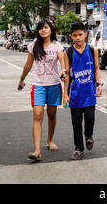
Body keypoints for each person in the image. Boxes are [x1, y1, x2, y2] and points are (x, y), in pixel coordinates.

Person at [17, 20, 67, 163]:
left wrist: (63, 71)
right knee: (38, 115)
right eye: (40, 28)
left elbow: (62, 62)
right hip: (38, 85)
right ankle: (37, 150)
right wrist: (21, 79)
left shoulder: (57, 46)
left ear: (51, 30)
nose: (43, 30)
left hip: (54, 85)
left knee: (51, 114)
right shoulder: (33, 45)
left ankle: (50, 140)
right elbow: (28, 64)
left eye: (46, 28)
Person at [63, 22, 103, 161]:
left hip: (89, 93)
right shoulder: (68, 52)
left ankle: (89, 136)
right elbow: (67, 74)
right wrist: (65, 94)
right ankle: (79, 149)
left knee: (90, 119)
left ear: (85, 34)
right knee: (76, 123)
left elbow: (97, 69)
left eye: (80, 34)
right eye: (75, 35)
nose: (78, 38)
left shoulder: (92, 50)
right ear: (71, 36)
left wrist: (98, 85)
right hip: (75, 95)